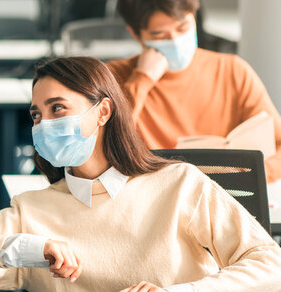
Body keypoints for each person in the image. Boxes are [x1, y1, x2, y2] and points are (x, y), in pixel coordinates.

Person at [0, 56, 281, 292]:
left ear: (103, 111)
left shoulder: (178, 184)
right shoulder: (32, 212)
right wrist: (19, 247)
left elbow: (271, 266)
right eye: (36, 115)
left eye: (58, 108)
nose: (44, 124)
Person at [107, 0, 281, 182]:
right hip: (155, 196)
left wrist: (252, 177)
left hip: (224, 194)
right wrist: (142, 79)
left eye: (183, 28)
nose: (174, 40)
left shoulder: (233, 70)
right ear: (136, 34)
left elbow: (278, 143)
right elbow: (104, 148)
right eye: (159, 35)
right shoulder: (113, 77)